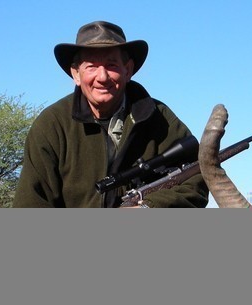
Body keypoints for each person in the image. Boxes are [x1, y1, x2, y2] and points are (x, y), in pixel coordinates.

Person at [14, 21, 209, 208]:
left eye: (112, 65)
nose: (102, 77)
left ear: (128, 70)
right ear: (76, 74)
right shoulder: (51, 125)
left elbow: (196, 181)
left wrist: (148, 208)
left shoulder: (161, 118)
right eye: (91, 66)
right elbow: (31, 204)